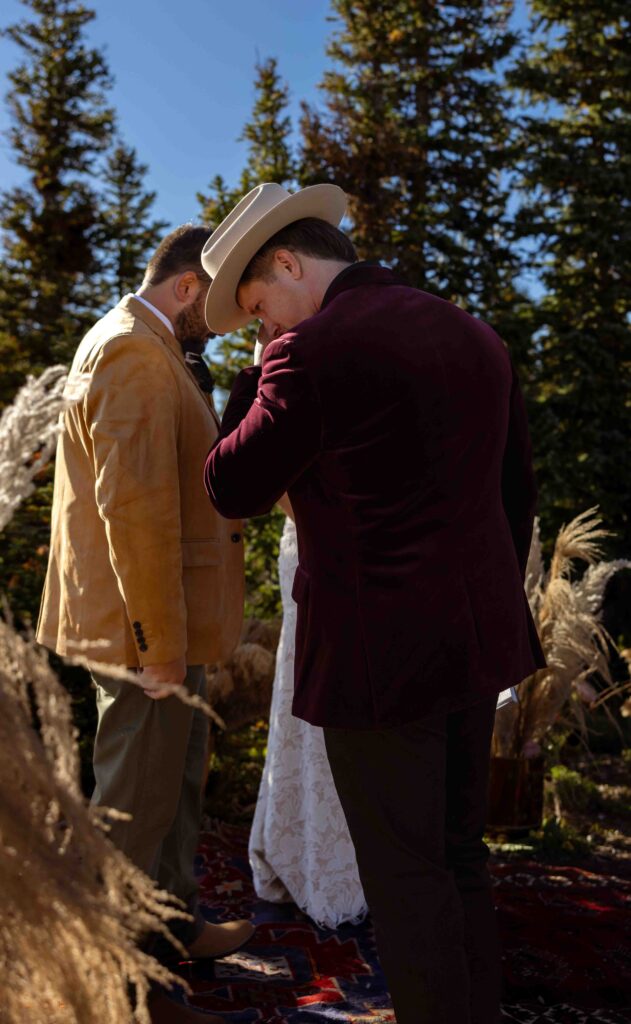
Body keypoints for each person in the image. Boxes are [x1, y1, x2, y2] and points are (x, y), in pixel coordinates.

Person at [202, 184, 547, 1024]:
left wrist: (255, 375)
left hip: (378, 656)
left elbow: (230, 485)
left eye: (258, 310)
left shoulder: (306, 353)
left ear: (287, 262)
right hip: (477, 638)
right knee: (458, 854)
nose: (265, 330)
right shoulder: (473, 333)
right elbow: (515, 501)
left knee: (403, 871)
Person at [37, 225, 254, 1024]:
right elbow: (134, 513)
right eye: (219, 304)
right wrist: (158, 645)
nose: (225, 324)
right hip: (142, 628)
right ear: (188, 287)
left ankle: (167, 930)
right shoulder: (131, 351)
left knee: (173, 784)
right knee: (132, 799)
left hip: (165, 622)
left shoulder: (156, 349)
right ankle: (107, 978)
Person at [249, 498, 367, 928]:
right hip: (318, 541)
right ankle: (315, 860)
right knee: (312, 697)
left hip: (385, 545)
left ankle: (373, 866)